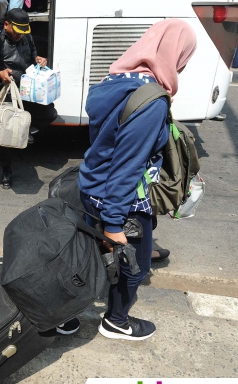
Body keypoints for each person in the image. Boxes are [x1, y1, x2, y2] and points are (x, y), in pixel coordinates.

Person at [79, 19, 197, 341]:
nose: (182, 65)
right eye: (183, 58)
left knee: (89, 256)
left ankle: (66, 310)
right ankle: (116, 321)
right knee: (134, 268)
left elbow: (105, 144)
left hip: (92, 186)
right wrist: (115, 226)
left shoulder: (112, 80)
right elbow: (127, 167)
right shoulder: (151, 101)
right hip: (122, 200)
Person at [0, 8, 57, 190]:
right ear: (7, 24)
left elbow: (32, 57)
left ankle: (26, 132)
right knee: (4, 132)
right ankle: (6, 170)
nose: (19, 36)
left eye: (22, 32)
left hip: (26, 89)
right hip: (6, 91)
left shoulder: (26, 37)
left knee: (49, 113)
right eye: (17, 32)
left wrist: (38, 60)